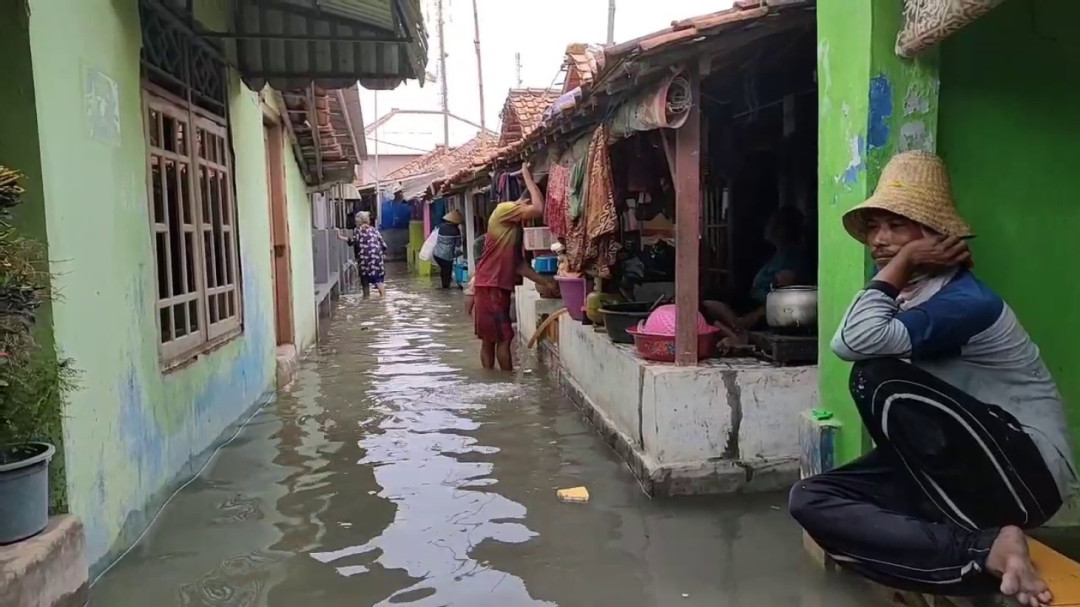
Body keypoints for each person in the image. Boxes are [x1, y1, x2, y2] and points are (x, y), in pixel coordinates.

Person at [788, 151, 1075, 607]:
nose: (880, 240)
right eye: (874, 227)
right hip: (959, 476)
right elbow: (854, 336)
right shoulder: (912, 297)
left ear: (936, 236)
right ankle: (983, 553)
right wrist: (902, 265)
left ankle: (984, 544)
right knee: (812, 499)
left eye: (897, 226)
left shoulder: (966, 302)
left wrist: (901, 263)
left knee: (875, 377)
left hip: (1027, 475)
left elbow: (853, 342)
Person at [472, 162, 554, 371]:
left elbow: (518, 265)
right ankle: (506, 382)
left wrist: (547, 283)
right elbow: (538, 208)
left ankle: (491, 380)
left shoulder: (512, 227)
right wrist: (528, 177)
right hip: (492, 285)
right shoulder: (504, 209)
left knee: (491, 339)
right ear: (526, 201)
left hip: (490, 284)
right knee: (503, 339)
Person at [702, 205, 813, 347]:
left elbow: (781, 297)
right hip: (755, 303)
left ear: (783, 229)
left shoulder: (792, 255)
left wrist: (752, 317)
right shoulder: (779, 254)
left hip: (766, 311)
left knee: (710, 307)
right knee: (709, 302)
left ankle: (738, 333)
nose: (766, 227)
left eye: (772, 223)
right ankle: (736, 329)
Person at [337, 211, 387, 298]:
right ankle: (383, 299)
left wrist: (340, 237)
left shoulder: (358, 230)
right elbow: (384, 245)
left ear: (358, 221)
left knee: (365, 280)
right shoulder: (375, 230)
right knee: (379, 280)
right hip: (377, 259)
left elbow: (353, 241)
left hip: (365, 259)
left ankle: (366, 299)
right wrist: (381, 254)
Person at [432, 209, 463, 289]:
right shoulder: (456, 230)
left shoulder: (441, 227)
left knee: (443, 270)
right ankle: (445, 288)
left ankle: (443, 287)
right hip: (447, 256)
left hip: (437, 254)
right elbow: (458, 244)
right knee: (447, 272)